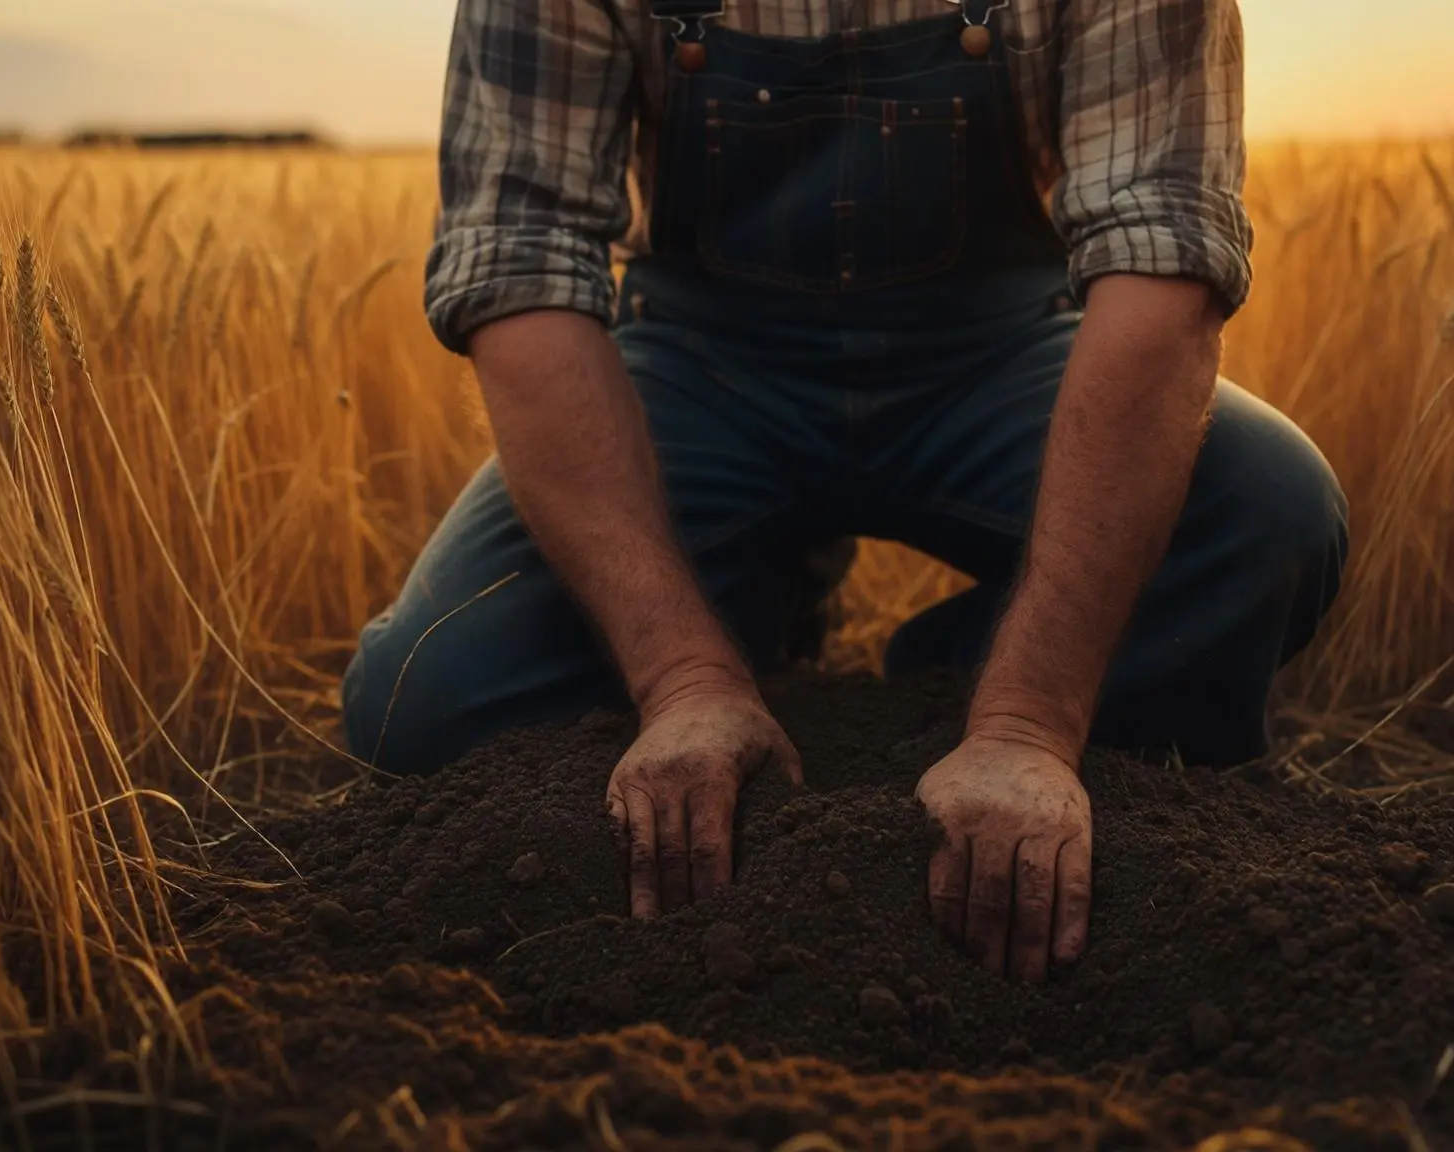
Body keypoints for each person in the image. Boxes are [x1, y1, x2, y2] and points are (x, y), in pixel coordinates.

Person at [342, 0, 1347, 982]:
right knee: (428, 698)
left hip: (994, 356)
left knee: (1267, 515)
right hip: (701, 370)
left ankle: (942, 693)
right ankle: (735, 643)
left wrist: (1025, 722)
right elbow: (521, 267)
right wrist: (681, 676)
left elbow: (1160, 268)